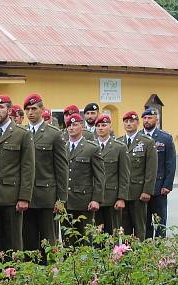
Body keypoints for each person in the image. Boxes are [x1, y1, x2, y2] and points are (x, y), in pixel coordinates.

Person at [0, 95, 35, 252]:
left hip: (11, 195)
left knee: (13, 239)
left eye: (1, 108)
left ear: (9, 110)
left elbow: (28, 167)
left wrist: (24, 197)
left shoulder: (22, 134)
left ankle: (13, 273)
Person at [22, 93, 67, 253]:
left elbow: (61, 169)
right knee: (28, 241)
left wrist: (61, 199)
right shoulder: (21, 132)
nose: (30, 112)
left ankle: (50, 273)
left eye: (34, 108)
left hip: (47, 196)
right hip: (26, 197)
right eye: (27, 109)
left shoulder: (54, 134)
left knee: (49, 242)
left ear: (42, 109)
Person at [63, 113, 104, 244]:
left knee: (85, 240)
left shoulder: (91, 148)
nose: (71, 128)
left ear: (82, 126)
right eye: (69, 125)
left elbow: (99, 176)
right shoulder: (62, 148)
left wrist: (96, 199)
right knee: (67, 241)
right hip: (66, 202)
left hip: (84, 201)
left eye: (75, 125)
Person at [117, 111, 157, 239]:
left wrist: (147, 191)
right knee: (124, 228)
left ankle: (140, 255)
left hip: (138, 192)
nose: (129, 124)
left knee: (140, 227)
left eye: (132, 121)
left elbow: (151, 169)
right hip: (123, 193)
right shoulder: (118, 142)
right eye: (126, 121)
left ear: (137, 123)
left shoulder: (147, 142)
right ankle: (126, 254)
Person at [142, 108, 176, 238]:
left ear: (157, 119)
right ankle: (147, 248)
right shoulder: (139, 137)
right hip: (143, 187)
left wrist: (167, 185)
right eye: (144, 118)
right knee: (145, 221)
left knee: (160, 221)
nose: (147, 120)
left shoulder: (165, 138)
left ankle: (160, 248)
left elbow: (170, 163)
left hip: (159, 187)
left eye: (150, 118)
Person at [94, 114, 129, 234]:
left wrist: (121, 198)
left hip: (111, 197)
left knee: (112, 233)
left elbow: (124, 174)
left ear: (110, 126)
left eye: (104, 125)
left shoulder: (119, 147)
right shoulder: (90, 146)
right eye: (98, 126)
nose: (100, 128)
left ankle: (114, 253)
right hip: (94, 197)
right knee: (96, 234)